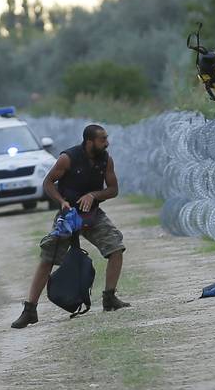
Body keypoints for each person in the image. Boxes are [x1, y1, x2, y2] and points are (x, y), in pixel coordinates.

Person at [11, 124, 130, 329]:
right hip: (68, 216)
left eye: (106, 138)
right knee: (48, 258)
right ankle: (30, 310)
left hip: (92, 214)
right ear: (89, 141)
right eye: (102, 139)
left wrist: (93, 195)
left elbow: (113, 189)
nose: (107, 143)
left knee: (116, 247)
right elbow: (48, 183)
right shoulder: (68, 158)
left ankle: (109, 298)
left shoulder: (105, 160)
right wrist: (61, 201)